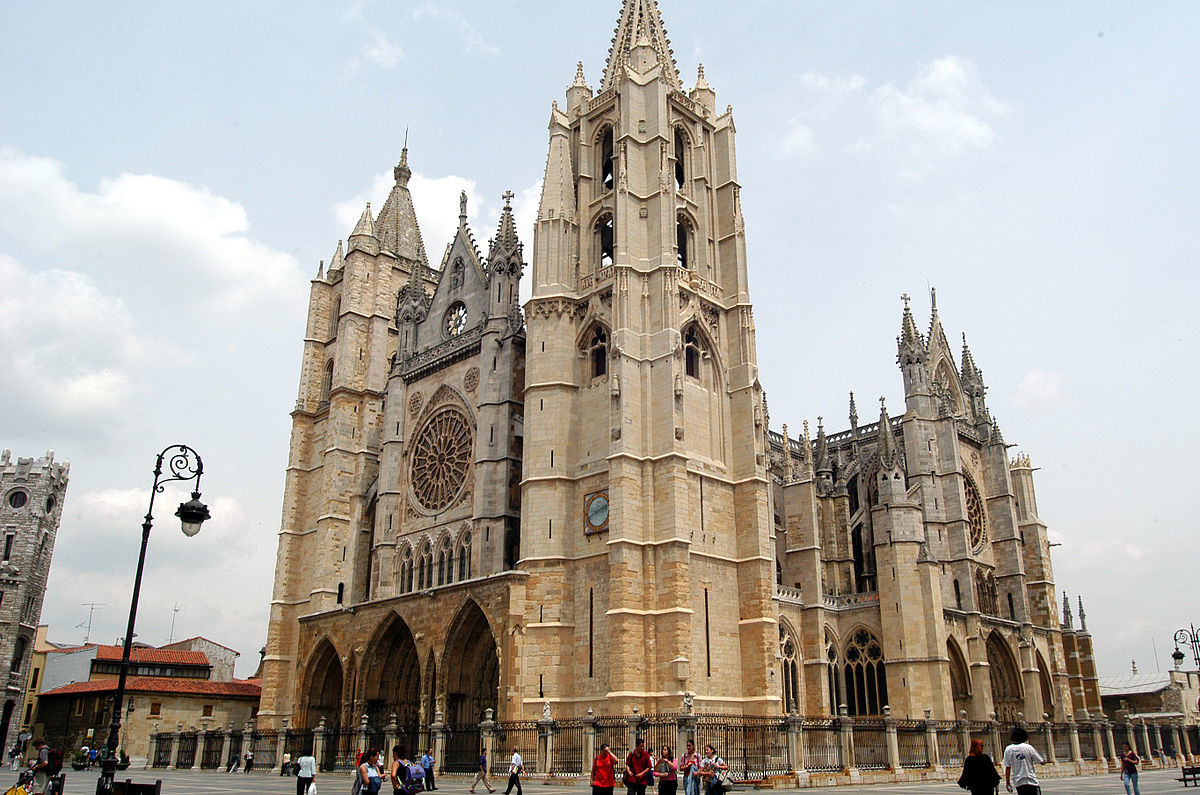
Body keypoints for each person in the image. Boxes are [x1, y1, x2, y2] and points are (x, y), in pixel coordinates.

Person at [1002, 727, 1043, 795]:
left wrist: (1008, 783)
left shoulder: (1008, 749)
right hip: (1031, 780)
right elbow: (1041, 761)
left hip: (1019, 782)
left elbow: (1007, 767)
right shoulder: (1028, 747)